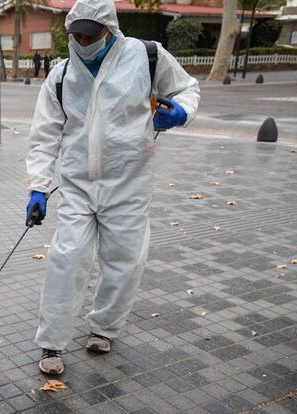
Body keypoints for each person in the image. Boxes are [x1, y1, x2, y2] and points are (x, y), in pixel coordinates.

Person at [25, 0, 200, 375]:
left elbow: (187, 88)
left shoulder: (146, 57)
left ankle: (103, 328)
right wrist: (38, 186)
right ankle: (52, 342)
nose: (83, 41)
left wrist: (181, 112)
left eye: (91, 34)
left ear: (110, 29)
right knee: (66, 259)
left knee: (125, 262)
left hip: (129, 182)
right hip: (78, 185)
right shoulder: (61, 74)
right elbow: (44, 135)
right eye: (77, 34)